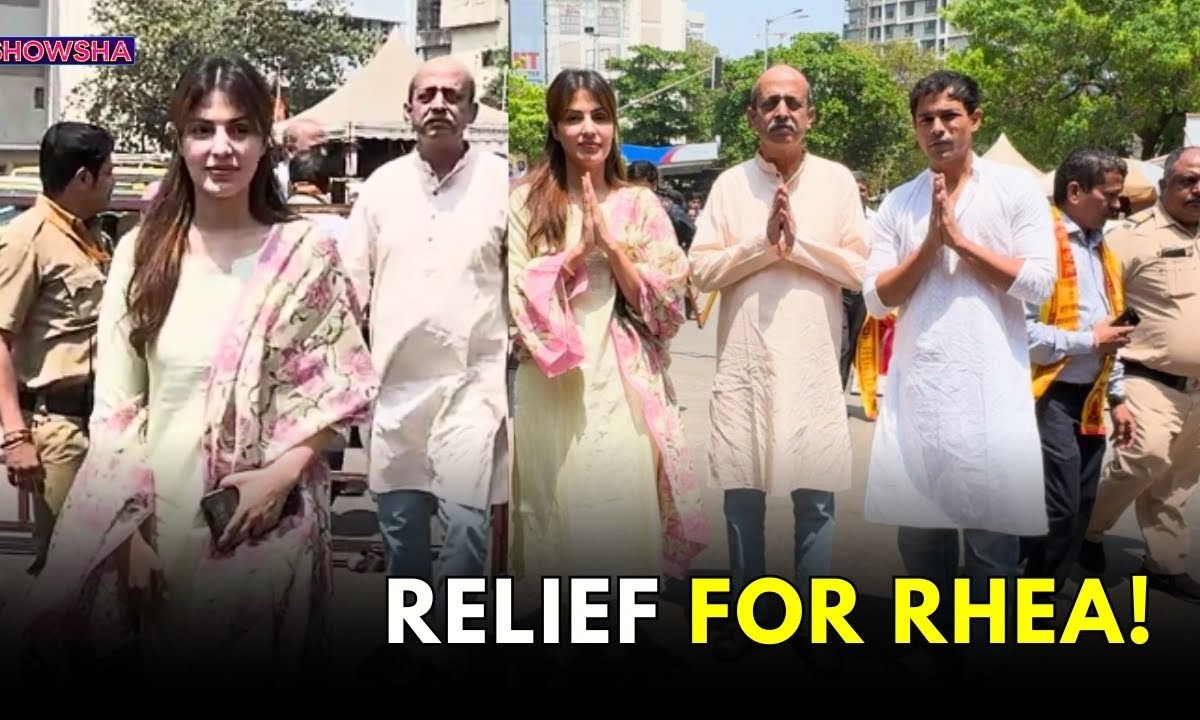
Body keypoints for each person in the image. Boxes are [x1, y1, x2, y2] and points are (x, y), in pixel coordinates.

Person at [8, 54, 379, 685]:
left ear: (267, 141)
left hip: (270, 526)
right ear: (180, 140)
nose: (221, 148)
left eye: (240, 129)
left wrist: (277, 478)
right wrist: (127, 541)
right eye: (203, 130)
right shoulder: (141, 254)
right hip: (157, 529)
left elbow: (337, 398)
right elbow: (118, 411)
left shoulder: (305, 254)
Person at [507, 69, 708, 613]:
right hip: (550, 378)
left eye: (600, 116)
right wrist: (573, 257)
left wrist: (613, 249)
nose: (588, 129)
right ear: (555, 127)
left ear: (615, 125)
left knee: (618, 503)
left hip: (622, 379)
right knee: (556, 508)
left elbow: (670, 298)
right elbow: (518, 295)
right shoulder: (525, 203)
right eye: (573, 117)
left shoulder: (640, 204)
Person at [860, 71, 1056, 624]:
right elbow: (876, 299)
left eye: (950, 116)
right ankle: (931, 646)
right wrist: (930, 244)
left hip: (992, 391)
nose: (939, 128)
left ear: (975, 119)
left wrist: (963, 244)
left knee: (994, 548)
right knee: (922, 547)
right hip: (921, 395)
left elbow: (1040, 283)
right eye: (927, 120)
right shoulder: (900, 202)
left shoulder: (1015, 191)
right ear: (915, 129)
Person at [687, 63, 868, 660]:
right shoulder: (729, 187)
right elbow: (702, 271)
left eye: (794, 102)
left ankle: (815, 621)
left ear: (810, 114)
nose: (782, 112)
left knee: (814, 496)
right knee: (744, 494)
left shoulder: (839, 183)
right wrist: (762, 244)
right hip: (745, 364)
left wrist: (799, 245)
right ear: (752, 116)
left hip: (815, 365)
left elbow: (861, 272)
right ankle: (750, 621)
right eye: (771, 103)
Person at [340, 56, 510, 661]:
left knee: (467, 526)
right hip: (395, 389)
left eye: (452, 95)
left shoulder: (502, 184)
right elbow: (349, 284)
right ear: (409, 109)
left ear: (472, 112)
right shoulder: (381, 188)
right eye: (426, 95)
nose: (438, 104)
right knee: (402, 533)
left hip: (474, 385)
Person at [1082, 146, 1200, 602]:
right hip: (1146, 376)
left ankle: (1164, 562)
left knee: (1179, 480)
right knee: (1143, 458)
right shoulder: (1130, 238)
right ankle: (1086, 529)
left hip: (1197, 390)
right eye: (1186, 180)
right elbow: (1099, 298)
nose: (1196, 189)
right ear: (1163, 186)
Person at [0, 121, 115, 577]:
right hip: (57, 428)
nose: (112, 181)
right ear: (83, 178)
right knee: (68, 567)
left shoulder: (88, 237)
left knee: (103, 557)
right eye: (108, 172)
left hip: (95, 419)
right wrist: (15, 436)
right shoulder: (25, 240)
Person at [1022, 148, 1135, 603]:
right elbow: (1023, 332)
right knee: (1060, 505)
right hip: (1048, 393)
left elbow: (1115, 331)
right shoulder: (1039, 244)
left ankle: (1042, 588)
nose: (1116, 205)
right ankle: (1031, 594)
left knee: (1081, 503)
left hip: (1090, 396)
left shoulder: (1101, 248)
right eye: (1109, 195)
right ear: (1074, 191)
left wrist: (1118, 395)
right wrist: (1089, 340)